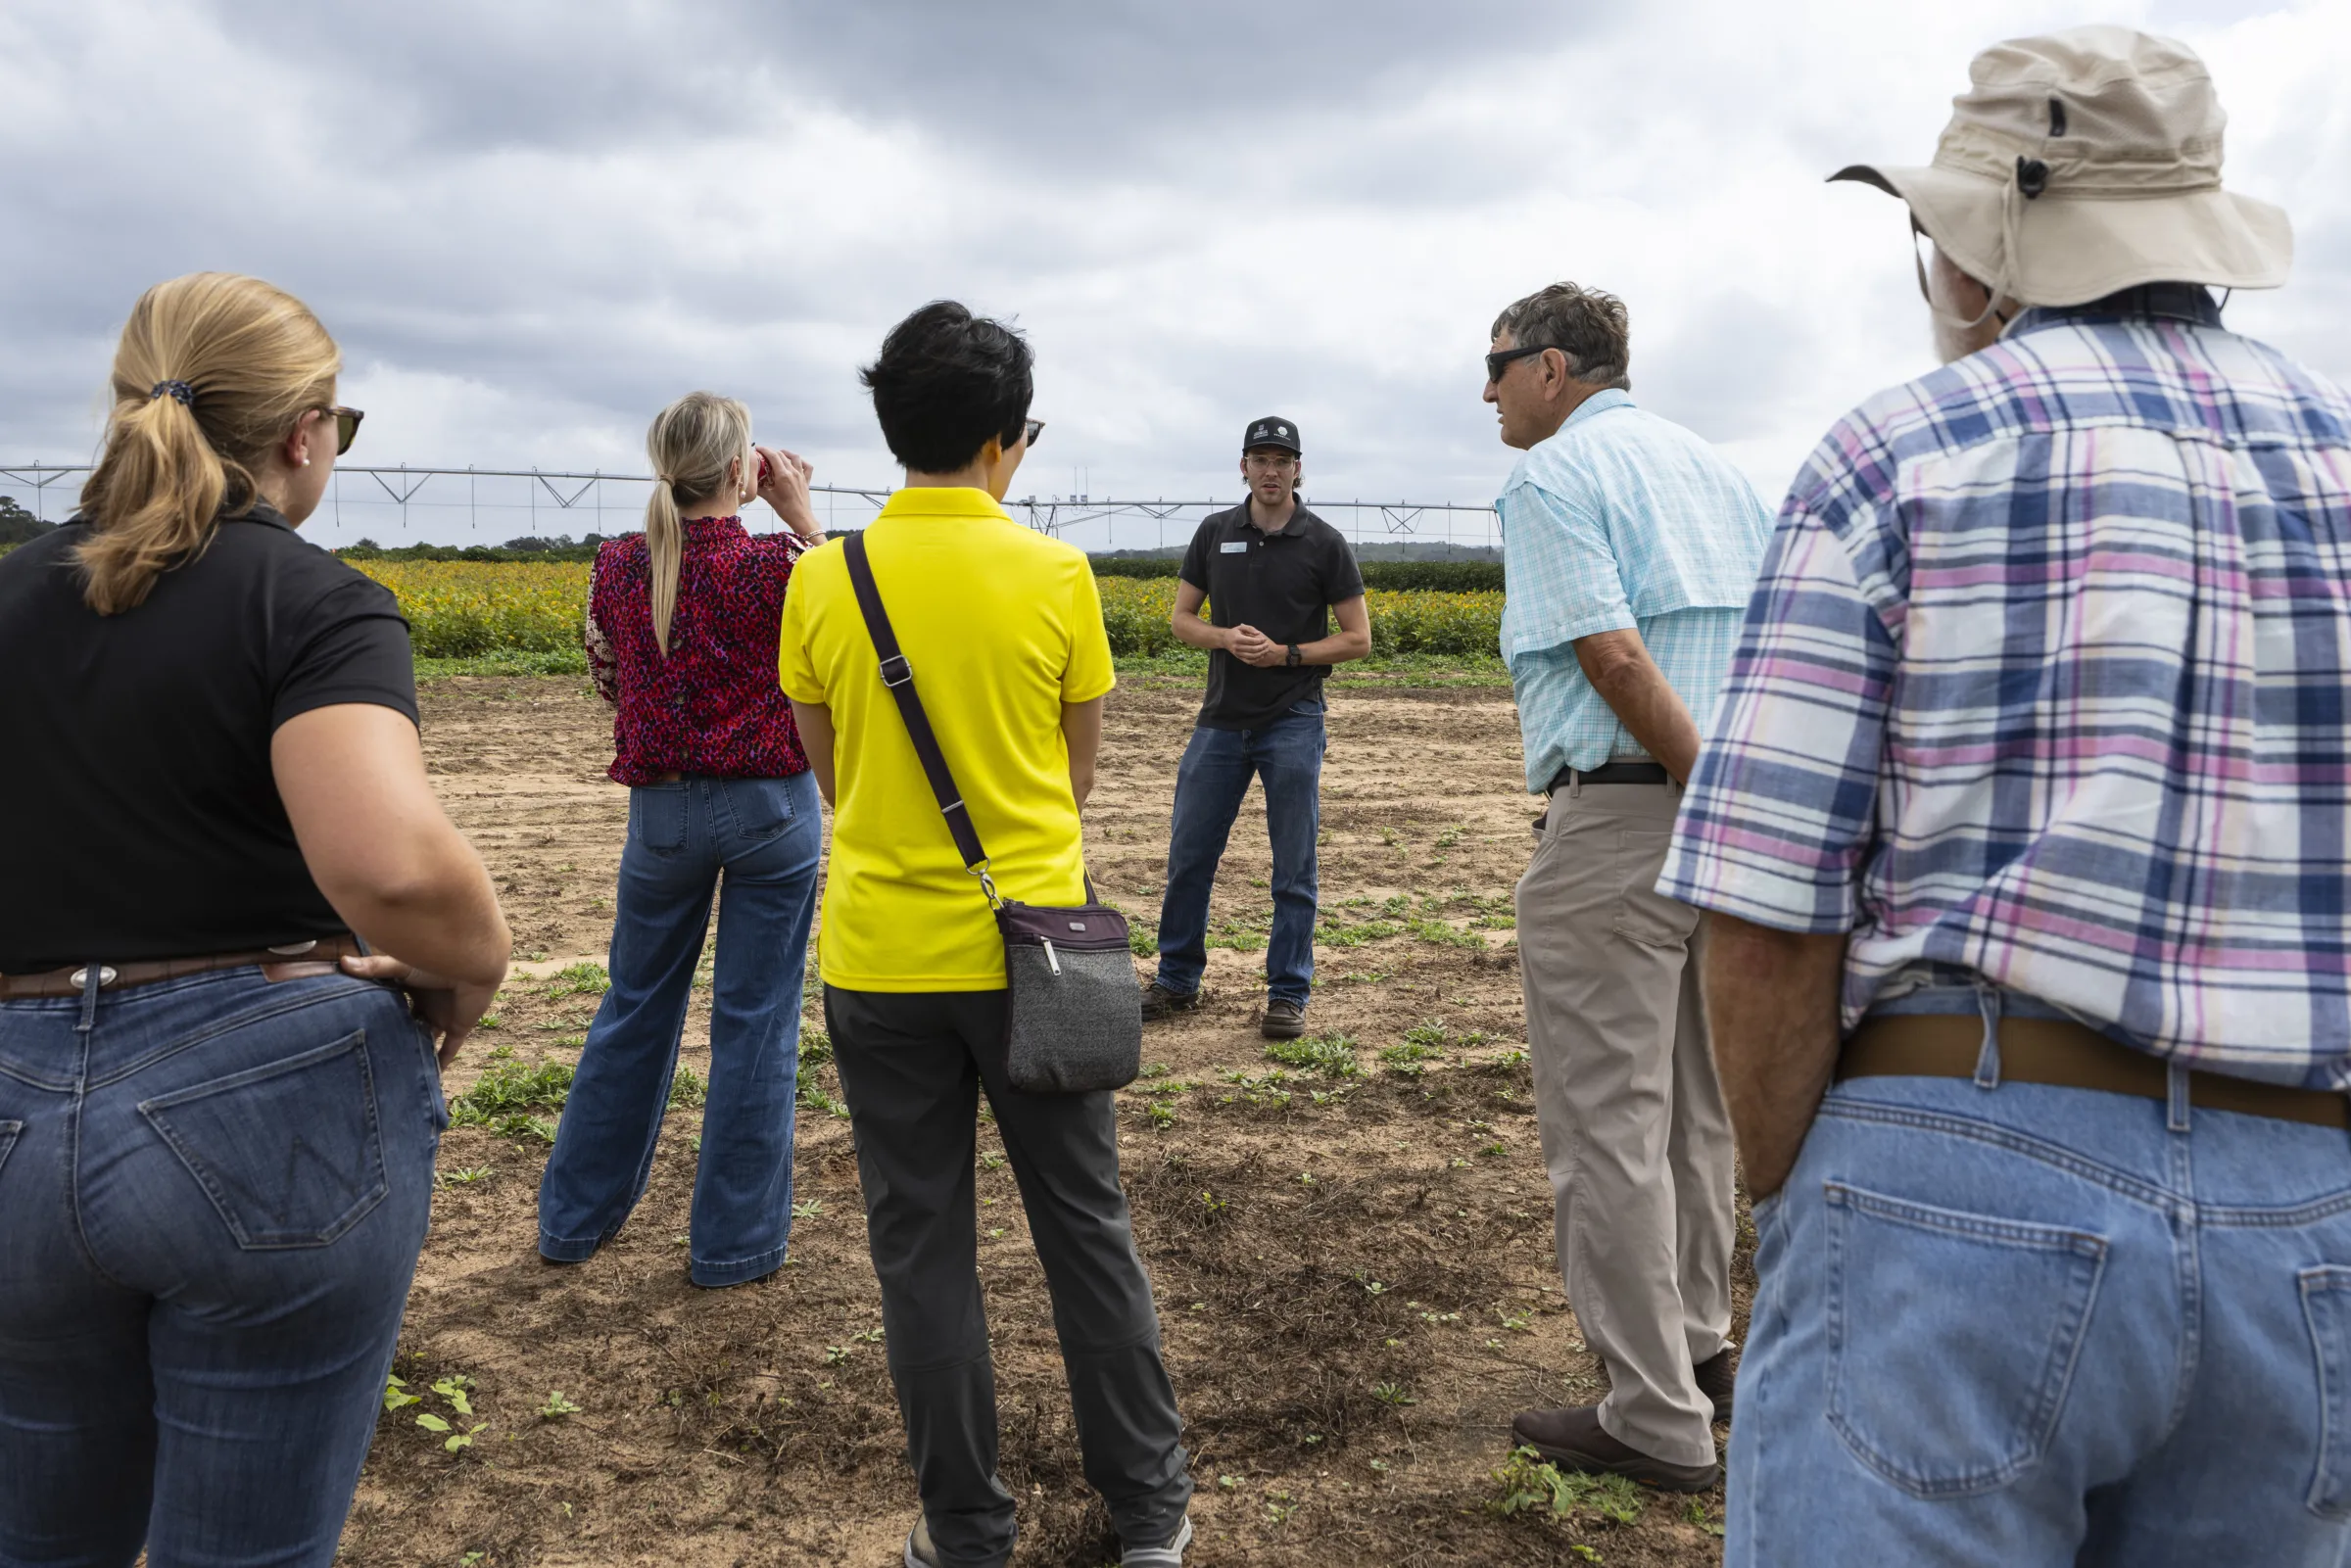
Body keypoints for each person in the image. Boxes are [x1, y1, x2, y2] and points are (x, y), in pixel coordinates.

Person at [1657, 28, 2348, 1566]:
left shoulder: (1899, 454)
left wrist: (1800, 1192)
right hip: (2309, 1211)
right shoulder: (2340, 463)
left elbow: (1767, 918)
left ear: (1977, 259)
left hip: (1952, 1169)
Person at [0, 273, 510, 1561]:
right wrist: (475, 964)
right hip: (264, 1110)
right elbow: (389, 868)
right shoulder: (310, 602)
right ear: (305, 432)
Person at [778, 301, 1192, 1568]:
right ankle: (1149, 1511)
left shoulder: (820, 577)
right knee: (1086, 1226)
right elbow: (1074, 779)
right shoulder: (1056, 574)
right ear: (1007, 440)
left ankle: (965, 1525)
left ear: (893, 427)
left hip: (881, 960)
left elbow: (831, 775)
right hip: (1042, 955)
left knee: (923, 1250)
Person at [1485, 281, 1773, 1490]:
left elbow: (1610, 652)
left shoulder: (1553, 478)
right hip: (1733, 826)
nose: (1487, 389)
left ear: (1554, 367)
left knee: (1607, 1126)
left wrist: (1697, 784)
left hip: (1624, 817)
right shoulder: (1723, 476)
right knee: (1700, 1114)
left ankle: (1652, 1417)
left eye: (1496, 364)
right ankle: (1702, 1354)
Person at [537, 393, 828, 1288]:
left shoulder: (620, 563)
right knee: (756, 1024)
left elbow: (608, 678)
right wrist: (803, 516)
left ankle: (573, 1223)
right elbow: (848, 650)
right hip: (773, 810)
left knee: (633, 1009)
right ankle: (733, 1246)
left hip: (660, 815)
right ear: (746, 470)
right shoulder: (785, 565)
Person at [1142, 416, 1369, 1040]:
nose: (1271, 470)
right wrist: (1224, 638)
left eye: (1283, 460)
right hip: (1219, 723)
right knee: (1190, 855)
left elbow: (1358, 639)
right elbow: (1182, 620)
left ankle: (1288, 991)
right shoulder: (1215, 533)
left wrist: (1286, 655)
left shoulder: (1323, 542)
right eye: (1260, 459)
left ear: (1299, 469)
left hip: (1294, 719)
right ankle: (1177, 978)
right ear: (1242, 466)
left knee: (1293, 864)